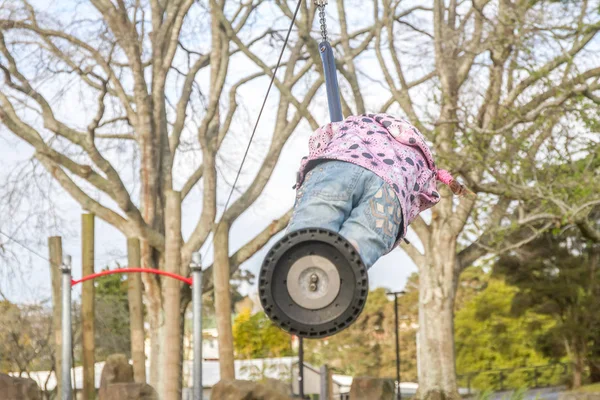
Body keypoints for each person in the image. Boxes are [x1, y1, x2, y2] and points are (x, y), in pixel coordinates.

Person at [287, 113, 473, 268]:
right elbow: (419, 199)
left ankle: (298, 266)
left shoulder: (355, 123)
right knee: (350, 258)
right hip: (392, 188)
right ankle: (340, 273)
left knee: (305, 240)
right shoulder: (423, 162)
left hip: (340, 163)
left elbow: (319, 140)